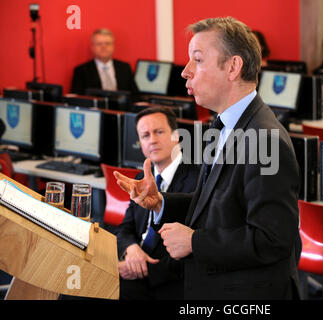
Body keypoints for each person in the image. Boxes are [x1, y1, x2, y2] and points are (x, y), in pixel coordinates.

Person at [114, 17, 302, 300]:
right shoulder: (220, 126)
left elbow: (271, 240)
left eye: (198, 60)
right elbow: (220, 205)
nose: (186, 72)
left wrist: (194, 241)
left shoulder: (266, 139)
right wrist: (162, 202)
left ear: (233, 67)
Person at [116, 107, 200, 300]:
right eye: (145, 135)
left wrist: (136, 269)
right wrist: (131, 249)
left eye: (159, 132)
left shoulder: (197, 180)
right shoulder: (141, 178)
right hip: (134, 267)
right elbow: (125, 228)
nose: (152, 140)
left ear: (176, 136)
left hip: (167, 281)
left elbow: (192, 250)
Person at [71, 28, 138, 94]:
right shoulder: (81, 71)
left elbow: (135, 95)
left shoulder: (125, 68)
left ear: (113, 46)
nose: (104, 47)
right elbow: (76, 98)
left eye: (107, 43)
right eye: (99, 44)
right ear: (92, 47)